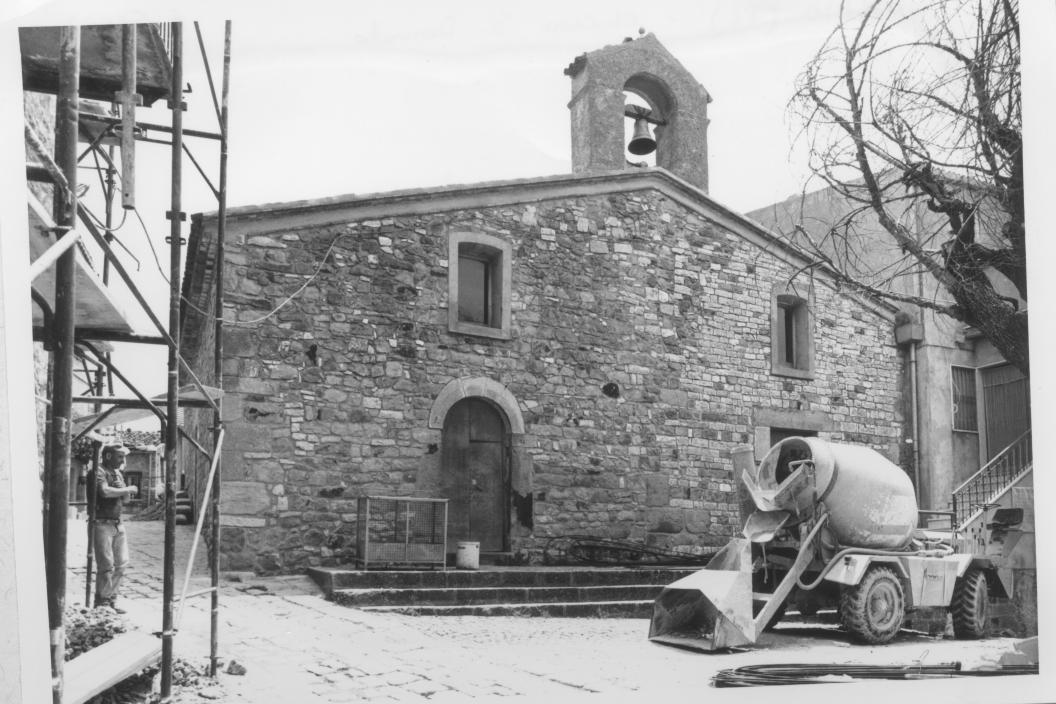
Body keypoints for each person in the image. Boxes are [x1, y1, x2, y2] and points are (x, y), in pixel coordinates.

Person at [94, 442, 137, 612]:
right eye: (120, 456)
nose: (123, 460)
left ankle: (111, 599)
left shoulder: (118, 474)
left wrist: (124, 491)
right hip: (101, 523)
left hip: (118, 524)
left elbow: (125, 500)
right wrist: (127, 489)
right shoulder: (99, 471)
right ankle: (102, 602)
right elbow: (104, 492)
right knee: (106, 565)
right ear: (109, 456)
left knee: (122, 563)